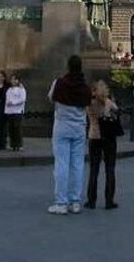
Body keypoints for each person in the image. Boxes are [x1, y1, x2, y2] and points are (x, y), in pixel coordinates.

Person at [47, 55, 91, 215]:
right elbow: (88, 104)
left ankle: (61, 202)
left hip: (62, 126)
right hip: (79, 127)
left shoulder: (59, 83)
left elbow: (51, 98)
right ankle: (75, 201)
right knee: (77, 164)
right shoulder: (85, 87)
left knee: (61, 164)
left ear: (68, 67)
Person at [86, 80, 120, 210]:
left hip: (94, 136)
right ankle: (109, 200)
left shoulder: (90, 103)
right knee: (110, 168)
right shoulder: (108, 102)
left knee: (94, 169)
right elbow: (117, 111)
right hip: (109, 137)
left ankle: (91, 200)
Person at [4, 74, 27, 152]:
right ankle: (12, 144)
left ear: (18, 80)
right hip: (10, 111)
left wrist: (13, 103)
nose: (13, 81)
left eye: (15, 79)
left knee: (17, 128)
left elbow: (22, 99)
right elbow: (7, 100)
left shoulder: (21, 89)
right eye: (12, 79)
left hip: (17, 111)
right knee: (11, 129)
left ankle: (19, 145)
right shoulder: (9, 90)